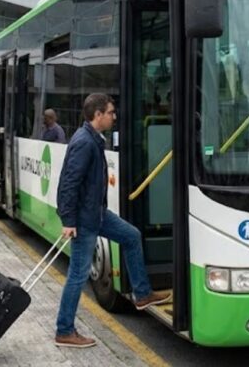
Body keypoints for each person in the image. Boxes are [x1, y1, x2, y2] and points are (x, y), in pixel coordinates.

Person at [54, 93, 171, 349]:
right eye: (110, 112)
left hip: (96, 213)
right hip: (84, 220)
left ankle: (142, 294)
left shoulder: (93, 138)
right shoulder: (85, 142)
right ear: (98, 115)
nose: (114, 116)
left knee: (131, 236)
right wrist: (68, 219)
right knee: (78, 274)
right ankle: (64, 330)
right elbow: (68, 183)